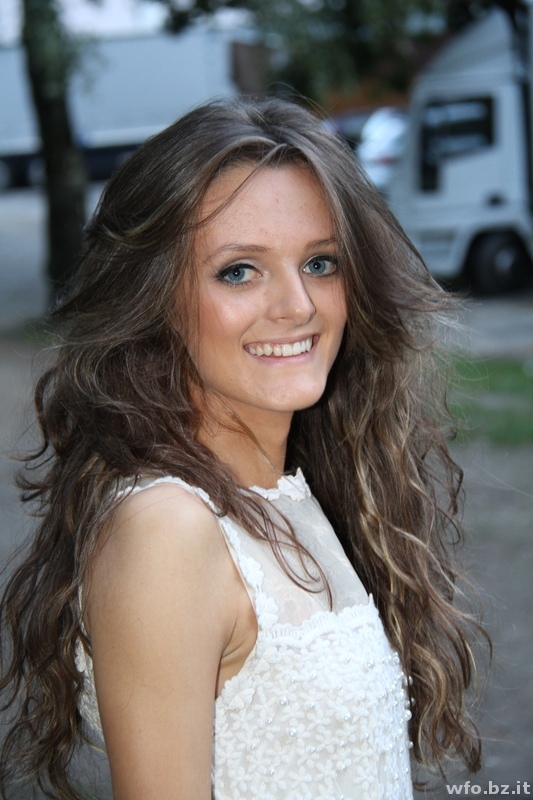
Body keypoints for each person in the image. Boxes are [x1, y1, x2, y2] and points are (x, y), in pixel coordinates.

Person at [0, 97, 485, 800]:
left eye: (320, 262)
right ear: (156, 299)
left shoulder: (289, 493)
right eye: (239, 271)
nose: (298, 305)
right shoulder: (168, 531)